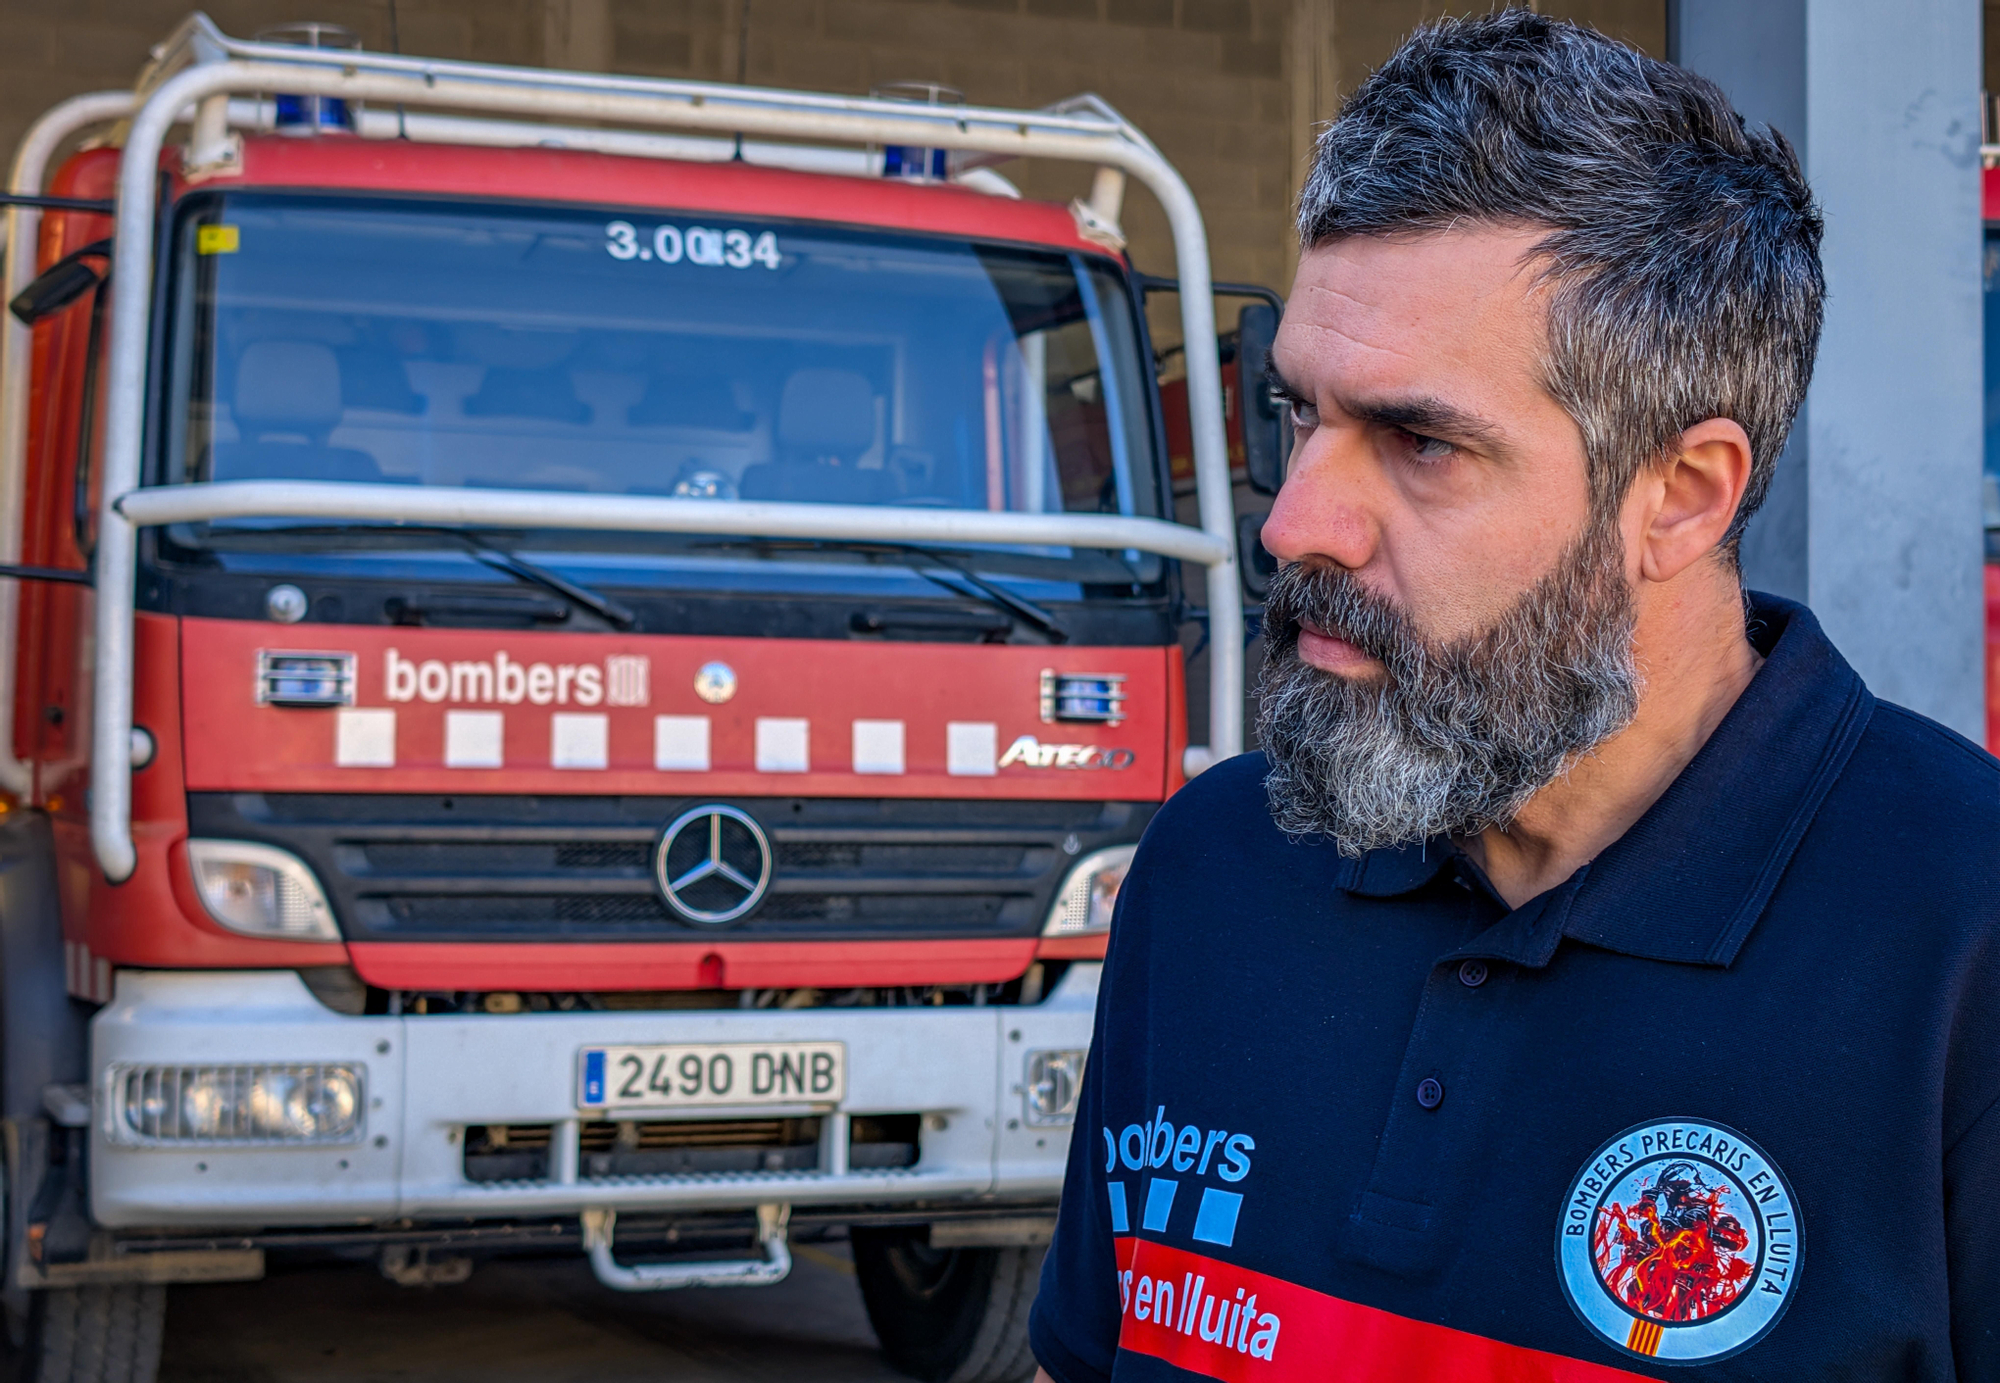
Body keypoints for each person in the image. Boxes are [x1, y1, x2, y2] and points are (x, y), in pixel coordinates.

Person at [1026, 11, 2000, 1382]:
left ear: (1681, 495)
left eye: (1419, 441)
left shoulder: (1964, 943)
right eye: (1300, 414)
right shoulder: (1215, 872)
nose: (1293, 522)